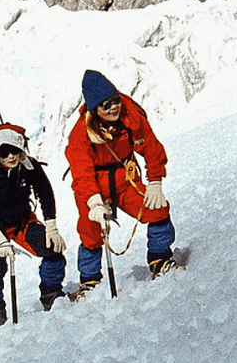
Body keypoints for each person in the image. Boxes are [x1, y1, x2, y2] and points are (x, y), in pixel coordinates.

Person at [65, 70, 182, 298]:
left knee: (157, 210)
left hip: (125, 179)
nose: (114, 107)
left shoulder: (131, 116)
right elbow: (82, 173)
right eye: (106, 105)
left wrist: (155, 181)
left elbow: (151, 148)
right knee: (91, 231)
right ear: (94, 109)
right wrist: (94, 202)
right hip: (93, 186)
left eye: (116, 100)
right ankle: (89, 280)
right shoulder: (80, 134)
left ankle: (159, 259)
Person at [0, 127, 67, 328]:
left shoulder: (29, 166)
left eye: (14, 150)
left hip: (22, 222)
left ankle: (51, 293)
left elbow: (45, 194)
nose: (11, 156)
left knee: (52, 250)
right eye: (4, 153)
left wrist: (51, 226)